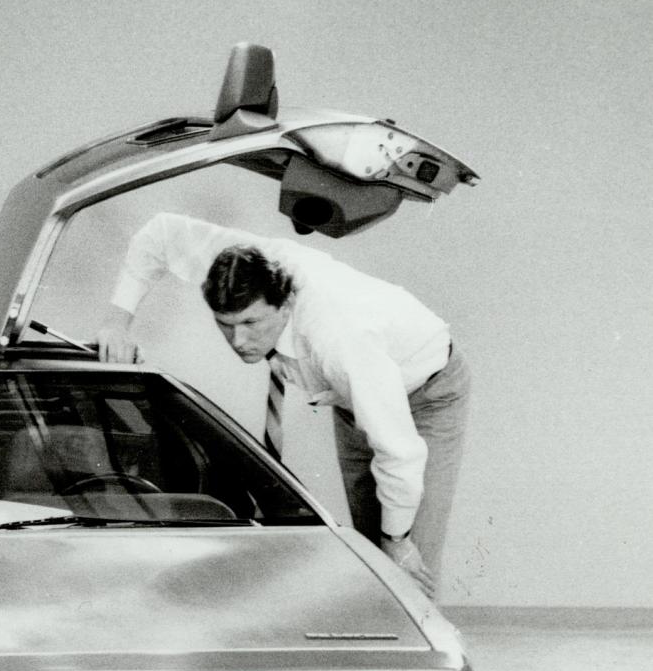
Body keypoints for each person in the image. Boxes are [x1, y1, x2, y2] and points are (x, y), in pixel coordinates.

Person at [97, 214, 470, 598]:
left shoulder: (339, 339)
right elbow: (159, 234)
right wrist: (115, 323)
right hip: (352, 397)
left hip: (428, 393)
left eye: (251, 323)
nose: (239, 340)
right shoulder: (234, 264)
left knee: (405, 561)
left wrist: (397, 542)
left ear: (286, 303)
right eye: (225, 324)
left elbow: (399, 452)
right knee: (370, 555)